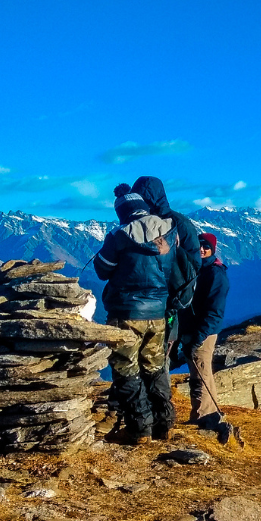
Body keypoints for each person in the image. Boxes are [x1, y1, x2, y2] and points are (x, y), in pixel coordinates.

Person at [94, 185, 178, 443]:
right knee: (154, 368)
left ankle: (139, 429)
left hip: (126, 313)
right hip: (158, 312)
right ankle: (164, 424)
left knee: (126, 370)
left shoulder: (119, 236)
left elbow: (102, 270)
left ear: (122, 212)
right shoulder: (169, 230)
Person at [131, 177, 202, 351]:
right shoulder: (181, 223)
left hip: (161, 303)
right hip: (163, 301)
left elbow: (192, 265)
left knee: (154, 358)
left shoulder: (139, 224)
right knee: (155, 361)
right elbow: (195, 264)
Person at [179, 232, 229, 425]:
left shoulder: (215, 274)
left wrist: (198, 337)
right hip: (194, 330)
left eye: (206, 246)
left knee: (200, 374)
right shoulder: (199, 269)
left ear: (212, 249)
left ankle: (201, 417)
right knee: (202, 372)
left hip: (204, 333)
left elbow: (214, 312)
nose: (201, 249)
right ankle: (211, 414)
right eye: (199, 245)